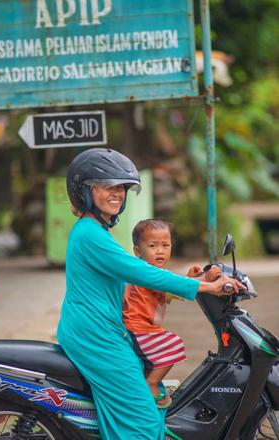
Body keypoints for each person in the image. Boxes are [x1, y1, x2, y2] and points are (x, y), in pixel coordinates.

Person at [57, 147, 245, 440]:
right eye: (108, 186)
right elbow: (141, 271)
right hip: (95, 337)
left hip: (106, 331)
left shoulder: (96, 231)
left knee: (151, 406)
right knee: (141, 419)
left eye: (121, 187)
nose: (117, 193)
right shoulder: (89, 234)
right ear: (85, 190)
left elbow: (143, 281)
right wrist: (206, 287)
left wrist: (195, 280)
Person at [123, 219, 222, 408]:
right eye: (153, 246)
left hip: (144, 328)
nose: (160, 250)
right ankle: (150, 384)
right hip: (139, 328)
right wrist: (207, 280)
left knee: (166, 346)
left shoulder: (155, 273)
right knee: (173, 345)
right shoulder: (145, 273)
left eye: (165, 245)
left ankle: (151, 381)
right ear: (137, 251)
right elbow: (172, 285)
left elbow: (172, 288)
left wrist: (193, 278)